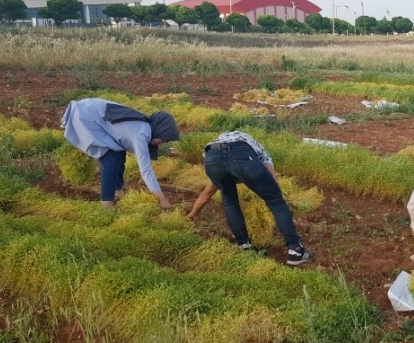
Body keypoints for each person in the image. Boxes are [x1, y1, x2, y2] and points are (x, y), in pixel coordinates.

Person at [186, 131, 312, 266]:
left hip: (212, 155)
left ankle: (243, 245)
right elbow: (274, 187)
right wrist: (282, 206)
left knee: (229, 199)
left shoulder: (222, 149)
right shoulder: (261, 152)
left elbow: (209, 190)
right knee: (276, 201)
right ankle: (296, 251)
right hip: (241, 154)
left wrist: (193, 214)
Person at [61, 98, 179, 209]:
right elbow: (145, 170)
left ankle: (117, 192)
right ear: (160, 130)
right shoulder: (142, 133)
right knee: (111, 158)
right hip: (86, 116)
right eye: (163, 139)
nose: (161, 143)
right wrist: (162, 199)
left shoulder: (145, 125)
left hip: (89, 111)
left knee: (119, 152)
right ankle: (106, 205)